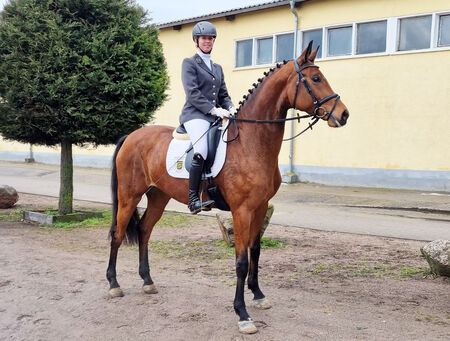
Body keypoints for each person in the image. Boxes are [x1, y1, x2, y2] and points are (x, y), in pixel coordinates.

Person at [179, 21, 237, 214]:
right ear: (196, 40)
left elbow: (224, 94)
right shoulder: (189, 63)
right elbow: (193, 93)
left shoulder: (217, 67)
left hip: (214, 117)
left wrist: (230, 107)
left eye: (210, 38)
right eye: (204, 38)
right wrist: (213, 110)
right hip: (195, 115)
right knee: (201, 150)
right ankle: (193, 198)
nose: (207, 41)